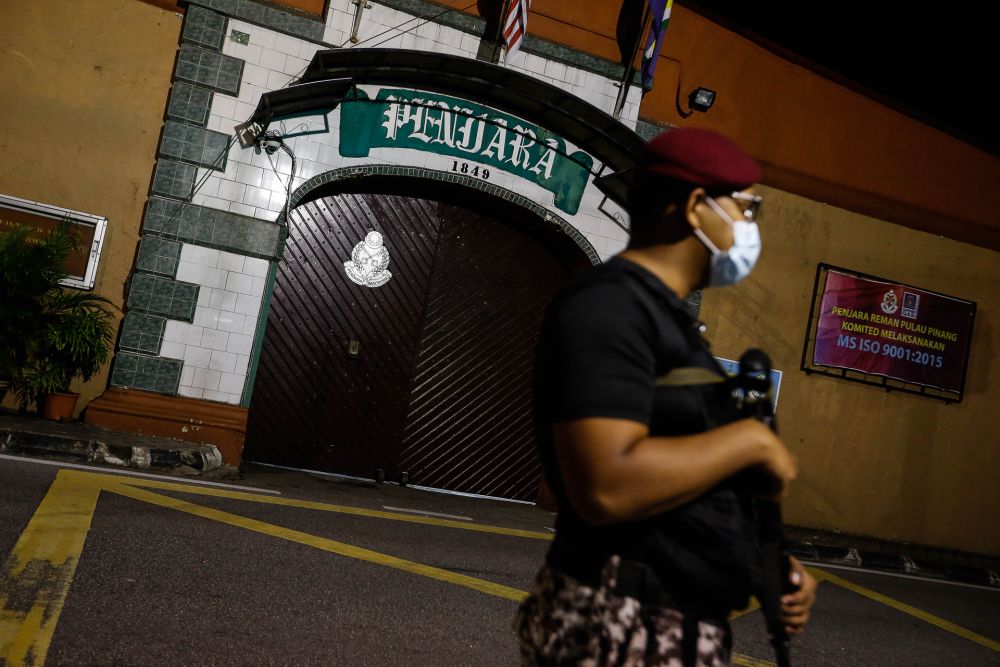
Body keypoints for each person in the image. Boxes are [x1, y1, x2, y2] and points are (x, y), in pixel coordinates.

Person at [516, 128, 816, 666]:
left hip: (663, 623)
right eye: (746, 208)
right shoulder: (609, 308)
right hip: (621, 625)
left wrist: (762, 565)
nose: (750, 226)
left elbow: (683, 489)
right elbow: (606, 486)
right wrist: (748, 442)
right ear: (698, 208)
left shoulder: (670, 325)